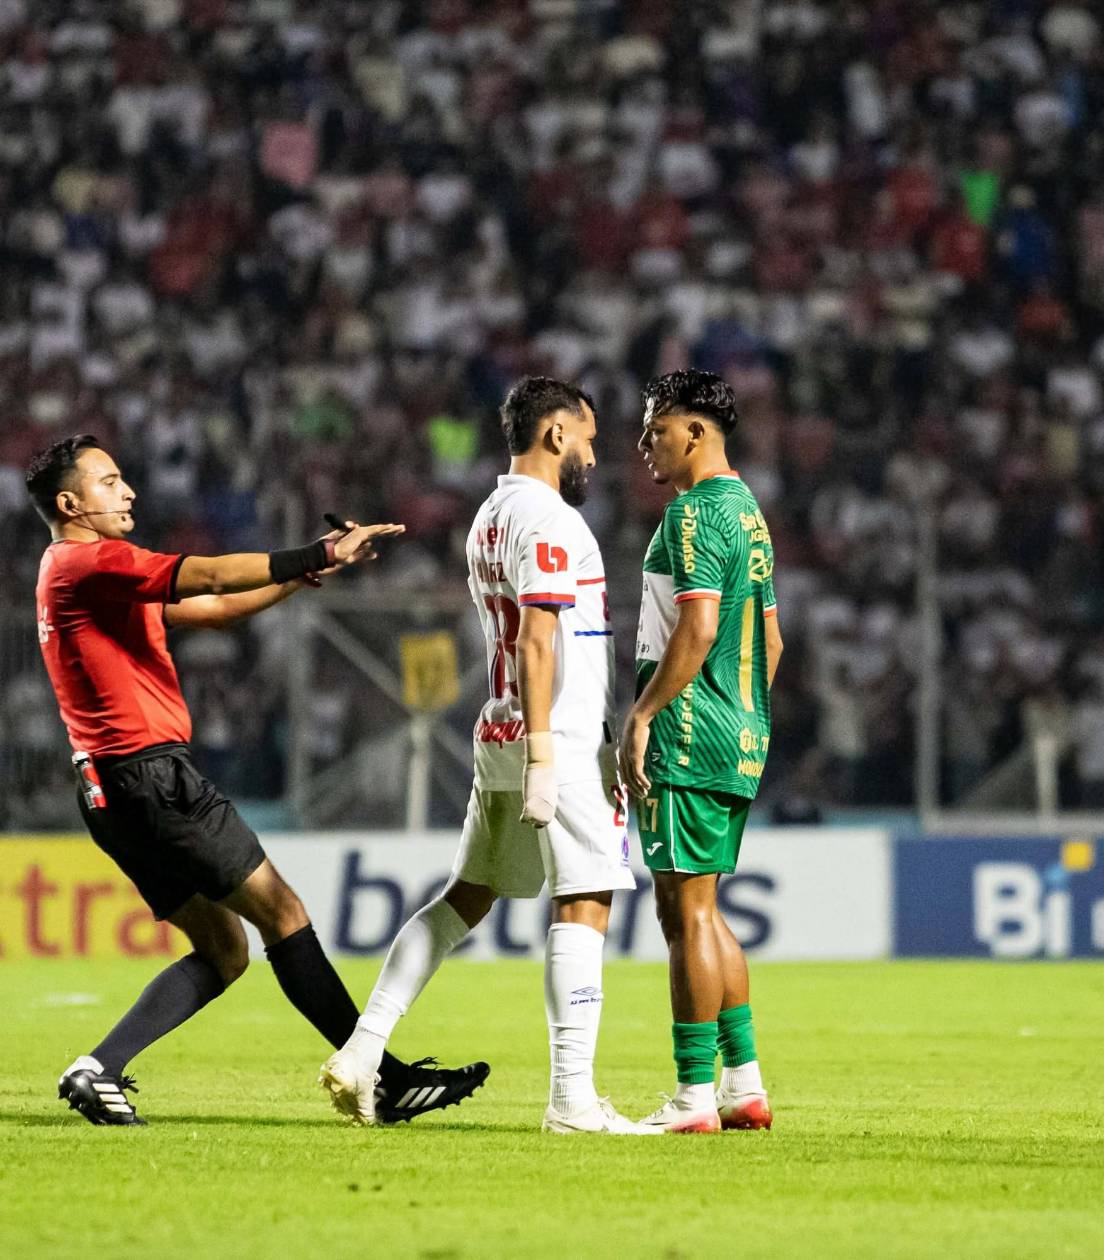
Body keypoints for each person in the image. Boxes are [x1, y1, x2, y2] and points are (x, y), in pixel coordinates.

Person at [26, 434, 489, 1125]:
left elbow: (210, 609)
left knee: (223, 948)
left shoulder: (73, 574)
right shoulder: (91, 562)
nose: (129, 492)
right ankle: (382, 1079)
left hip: (108, 790)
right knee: (285, 916)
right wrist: (318, 552)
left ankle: (99, 1067)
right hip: (153, 776)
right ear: (71, 503)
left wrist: (295, 579)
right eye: (111, 481)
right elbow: (209, 578)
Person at [320, 377, 646, 1133]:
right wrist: (543, 756)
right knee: (585, 899)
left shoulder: (491, 515)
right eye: (589, 438)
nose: (593, 456)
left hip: (498, 728)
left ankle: (364, 1051)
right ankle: (572, 1099)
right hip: (552, 738)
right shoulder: (549, 521)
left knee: (465, 896)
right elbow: (539, 639)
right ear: (557, 434)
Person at [618, 370, 783, 1133]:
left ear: (694, 432)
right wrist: (740, 712)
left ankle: (691, 1098)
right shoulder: (749, 514)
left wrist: (647, 714)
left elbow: (698, 629)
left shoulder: (692, 513)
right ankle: (743, 1084)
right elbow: (770, 641)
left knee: (685, 916)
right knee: (705, 911)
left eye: (655, 428)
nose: (644, 443)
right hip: (741, 729)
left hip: (689, 730)